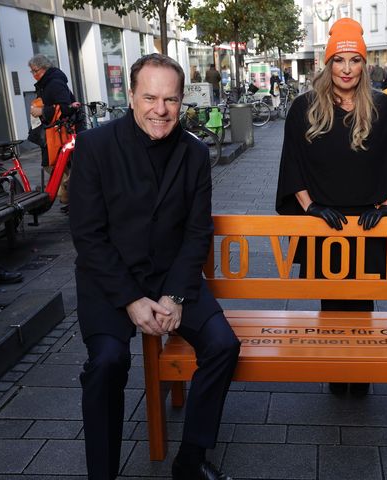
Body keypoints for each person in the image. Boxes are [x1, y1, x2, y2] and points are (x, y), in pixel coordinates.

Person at [70, 53, 240, 480]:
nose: (160, 110)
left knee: (223, 345)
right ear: (130, 96)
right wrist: (130, 299)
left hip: (171, 278)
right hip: (110, 282)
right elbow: (88, 235)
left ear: (182, 102)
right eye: (150, 97)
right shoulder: (95, 146)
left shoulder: (195, 153)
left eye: (171, 100)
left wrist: (175, 295)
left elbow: (196, 233)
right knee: (107, 363)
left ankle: (190, 459)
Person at [275, 18, 387, 396]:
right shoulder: (304, 107)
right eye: (340, 60)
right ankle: (338, 369)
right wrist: (311, 209)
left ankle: (361, 370)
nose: (347, 68)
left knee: (362, 302)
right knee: (332, 304)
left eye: (355, 60)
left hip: (368, 221)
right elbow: (293, 164)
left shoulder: (382, 106)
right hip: (324, 222)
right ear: (328, 63)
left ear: (364, 63)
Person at [29, 54, 81, 208]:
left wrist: (42, 111)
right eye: (31, 71)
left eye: (35, 71)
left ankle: (67, 194)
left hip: (57, 133)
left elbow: (66, 108)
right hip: (51, 132)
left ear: (44, 68)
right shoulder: (46, 82)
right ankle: (67, 195)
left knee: (53, 164)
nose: (33, 74)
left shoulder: (55, 83)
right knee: (55, 165)